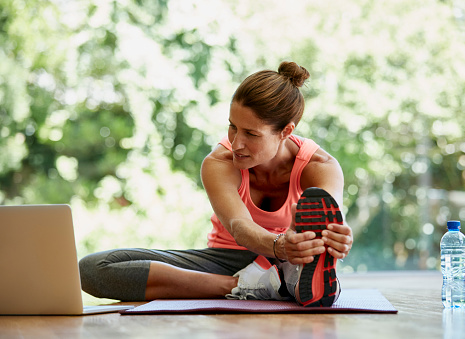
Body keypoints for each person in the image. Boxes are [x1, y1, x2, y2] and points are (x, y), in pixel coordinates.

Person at [79, 61, 353, 307]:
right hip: (224, 262)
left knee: (308, 241)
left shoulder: (320, 167)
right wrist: (279, 245)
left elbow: (328, 224)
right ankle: (254, 286)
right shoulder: (219, 162)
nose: (236, 143)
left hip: (290, 260)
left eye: (251, 133)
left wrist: (334, 238)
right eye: (232, 126)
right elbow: (240, 227)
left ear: (286, 131)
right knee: (92, 269)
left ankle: (289, 277)